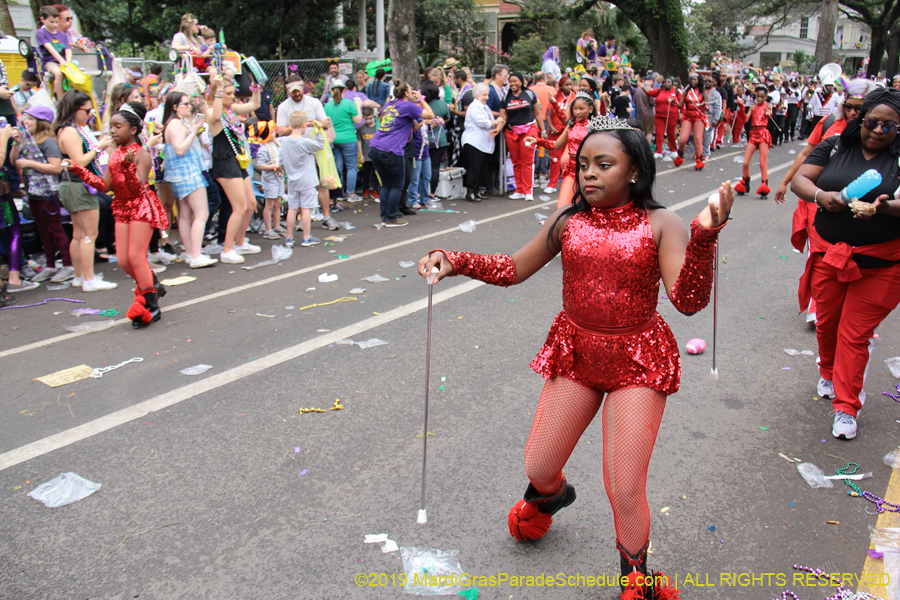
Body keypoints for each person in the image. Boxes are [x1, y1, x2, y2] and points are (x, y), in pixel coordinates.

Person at [419, 113, 732, 599]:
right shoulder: (569, 221)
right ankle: (552, 497)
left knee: (623, 485)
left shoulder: (660, 223)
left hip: (636, 362)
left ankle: (635, 578)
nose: (588, 174)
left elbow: (689, 301)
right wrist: (455, 260)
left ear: (634, 171)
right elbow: (513, 268)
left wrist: (706, 236)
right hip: (577, 354)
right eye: (583, 164)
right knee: (538, 466)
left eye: (603, 165)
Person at [790, 87, 900, 441]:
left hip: (883, 265)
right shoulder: (835, 146)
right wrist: (822, 196)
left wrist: (883, 207)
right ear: (859, 118)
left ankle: (847, 407)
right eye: (872, 122)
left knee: (854, 334)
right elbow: (801, 179)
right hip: (830, 256)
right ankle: (827, 370)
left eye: (889, 126)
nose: (879, 131)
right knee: (827, 324)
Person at [66, 102, 169, 328]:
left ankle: (151, 305)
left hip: (140, 206)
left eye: (117, 126)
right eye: (111, 126)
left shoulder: (141, 154)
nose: (112, 130)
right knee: (123, 260)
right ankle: (152, 285)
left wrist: (128, 168)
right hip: (122, 207)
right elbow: (104, 186)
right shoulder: (114, 155)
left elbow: (138, 188)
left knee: (135, 257)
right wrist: (78, 169)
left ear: (132, 130)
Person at [54, 90, 119, 291]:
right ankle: (89, 279)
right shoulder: (70, 131)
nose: (90, 114)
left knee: (79, 234)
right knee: (88, 234)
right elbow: (79, 162)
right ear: (74, 110)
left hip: (75, 185)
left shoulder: (70, 130)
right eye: (87, 111)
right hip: (78, 186)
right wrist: (99, 147)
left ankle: (81, 276)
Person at [12, 105, 74, 284]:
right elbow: (14, 161)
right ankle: (50, 266)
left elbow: (56, 168)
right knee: (42, 231)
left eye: (31, 119)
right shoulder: (27, 141)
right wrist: (16, 143)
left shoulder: (48, 142)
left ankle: (68, 266)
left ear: (41, 122)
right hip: (33, 193)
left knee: (55, 230)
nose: (26, 122)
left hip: (48, 193)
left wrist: (30, 164)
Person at [206, 75, 262, 264]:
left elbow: (255, 104)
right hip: (225, 161)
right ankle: (227, 249)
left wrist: (255, 87)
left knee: (251, 204)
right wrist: (219, 88)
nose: (232, 97)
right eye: (228, 94)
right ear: (218, 94)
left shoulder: (231, 110)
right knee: (240, 207)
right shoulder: (212, 111)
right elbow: (215, 117)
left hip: (238, 159)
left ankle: (239, 242)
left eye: (233, 93)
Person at [274, 74, 340, 231]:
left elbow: (325, 122)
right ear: (288, 91)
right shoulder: (284, 107)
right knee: (298, 187)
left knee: (322, 183)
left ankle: (326, 217)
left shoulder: (314, 102)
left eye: (298, 90)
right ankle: (302, 219)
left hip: (315, 148)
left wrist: (315, 123)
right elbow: (280, 130)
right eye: (293, 92)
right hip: (297, 151)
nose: (296, 94)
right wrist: (297, 126)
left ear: (302, 86)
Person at [162, 91, 216, 268]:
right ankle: (196, 255)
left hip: (180, 173)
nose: (189, 107)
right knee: (201, 214)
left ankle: (190, 252)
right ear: (175, 107)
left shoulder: (176, 123)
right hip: (187, 172)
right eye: (185, 104)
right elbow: (179, 149)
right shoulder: (176, 124)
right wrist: (193, 132)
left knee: (185, 215)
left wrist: (193, 130)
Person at [368, 81, 433, 226]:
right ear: (406, 93)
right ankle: (391, 217)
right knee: (397, 185)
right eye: (411, 89)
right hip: (391, 149)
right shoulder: (408, 106)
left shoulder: (388, 105)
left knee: (386, 185)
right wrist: (421, 100)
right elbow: (430, 114)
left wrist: (418, 122)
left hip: (375, 147)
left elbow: (409, 126)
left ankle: (385, 216)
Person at [526, 91, 596, 209]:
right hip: (572, 170)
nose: (577, 112)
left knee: (587, 208)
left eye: (581, 109)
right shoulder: (571, 125)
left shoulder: (594, 127)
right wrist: (537, 141)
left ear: (590, 109)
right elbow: (556, 144)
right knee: (562, 207)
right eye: (575, 108)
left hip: (588, 170)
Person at [280, 112, 325, 247]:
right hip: (307, 180)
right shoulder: (305, 142)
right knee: (306, 209)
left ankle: (289, 237)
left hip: (292, 180)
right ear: (304, 125)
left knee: (292, 209)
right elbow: (320, 145)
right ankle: (306, 237)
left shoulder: (284, 142)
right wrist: (318, 129)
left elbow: (281, 161)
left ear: (290, 125)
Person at [500, 72, 544, 201]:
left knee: (527, 161)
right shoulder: (505, 97)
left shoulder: (529, 94)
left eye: (515, 81)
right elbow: (503, 118)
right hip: (511, 132)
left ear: (521, 82)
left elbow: (537, 113)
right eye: (511, 81)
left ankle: (528, 190)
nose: (513, 84)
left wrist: (543, 130)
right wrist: (496, 129)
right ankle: (519, 189)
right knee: (516, 162)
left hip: (529, 130)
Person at [461, 83, 501, 202]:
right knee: (475, 167)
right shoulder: (474, 107)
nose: (486, 97)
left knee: (481, 168)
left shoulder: (484, 107)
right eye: (484, 95)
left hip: (483, 142)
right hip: (474, 142)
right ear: (477, 95)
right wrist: (496, 121)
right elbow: (483, 123)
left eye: (487, 95)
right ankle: (470, 192)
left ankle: (477, 190)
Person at [324, 79, 362, 202]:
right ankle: (351, 194)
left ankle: (338, 193)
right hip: (348, 138)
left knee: (337, 167)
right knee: (351, 167)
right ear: (344, 90)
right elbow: (358, 120)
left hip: (333, 139)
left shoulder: (327, 105)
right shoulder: (349, 104)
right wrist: (358, 106)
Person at [733, 85, 773, 198]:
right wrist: (741, 107)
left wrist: (768, 112)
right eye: (758, 96)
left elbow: (769, 111)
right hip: (753, 134)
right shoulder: (752, 108)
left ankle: (764, 185)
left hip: (763, 134)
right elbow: (745, 119)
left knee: (762, 162)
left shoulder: (768, 105)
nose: (759, 99)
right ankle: (745, 183)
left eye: (762, 97)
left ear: (765, 97)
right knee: (745, 162)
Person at [251, 120, 286, 239]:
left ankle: (276, 226)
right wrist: (274, 166)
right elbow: (260, 165)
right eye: (271, 132)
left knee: (277, 203)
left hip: (279, 178)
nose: (274, 133)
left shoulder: (276, 144)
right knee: (269, 205)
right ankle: (268, 229)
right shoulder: (263, 149)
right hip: (270, 180)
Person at [544, 76, 574, 194]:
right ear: (561, 86)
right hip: (555, 132)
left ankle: (568, 184)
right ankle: (552, 184)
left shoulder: (575, 97)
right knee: (555, 159)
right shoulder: (555, 98)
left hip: (568, 131)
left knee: (568, 159)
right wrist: (551, 127)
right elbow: (548, 114)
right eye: (566, 85)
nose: (569, 87)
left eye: (570, 84)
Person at [35, 5, 70, 102]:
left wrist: (67, 62)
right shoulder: (41, 33)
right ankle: (61, 99)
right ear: (43, 19)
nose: (54, 25)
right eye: (51, 22)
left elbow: (67, 50)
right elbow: (50, 49)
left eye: (56, 22)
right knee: (58, 73)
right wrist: (62, 61)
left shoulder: (62, 35)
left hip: (62, 61)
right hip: (49, 61)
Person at [638, 77, 679, 158]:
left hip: (671, 116)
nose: (667, 83)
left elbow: (680, 104)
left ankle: (673, 150)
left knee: (671, 133)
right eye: (665, 82)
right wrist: (642, 87)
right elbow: (649, 93)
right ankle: (658, 151)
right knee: (659, 133)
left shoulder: (676, 92)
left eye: (669, 82)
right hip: (659, 116)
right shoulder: (659, 90)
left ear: (672, 84)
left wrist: (674, 101)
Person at [674, 74, 708, 170]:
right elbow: (680, 105)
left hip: (698, 116)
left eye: (695, 79)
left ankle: (699, 159)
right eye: (691, 79)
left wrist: (705, 105)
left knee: (697, 139)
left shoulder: (702, 92)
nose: (693, 81)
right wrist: (674, 102)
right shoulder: (686, 91)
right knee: (682, 139)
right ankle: (680, 155)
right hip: (687, 116)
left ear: (699, 81)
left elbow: (707, 108)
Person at [424, 80, 450, 199]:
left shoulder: (421, 104)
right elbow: (447, 118)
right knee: (435, 168)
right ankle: (433, 193)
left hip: (424, 140)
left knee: (422, 168)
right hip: (439, 140)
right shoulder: (442, 104)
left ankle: (420, 193)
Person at [357, 108, 378, 199]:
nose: (368, 121)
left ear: (373, 116)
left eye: (370, 118)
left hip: (375, 155)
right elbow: (359, 142)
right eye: (366, 119)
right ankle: (366, 189)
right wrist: (361, 155)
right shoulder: (361, 129)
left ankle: (375, 189)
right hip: (366, 155)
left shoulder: (377, 127)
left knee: (375, 174)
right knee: (366, 173)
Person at [702, 76, 722, 158]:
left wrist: (715, 119)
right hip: (700, 115)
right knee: (697, 135)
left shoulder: (716, 94)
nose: (707, 82)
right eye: (706, 81)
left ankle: (705, 153)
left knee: (706, 135)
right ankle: (698, 151)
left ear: (713, 83)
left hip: (710, 116)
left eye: (709, 81)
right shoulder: (701, 91)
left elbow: (718, 108)